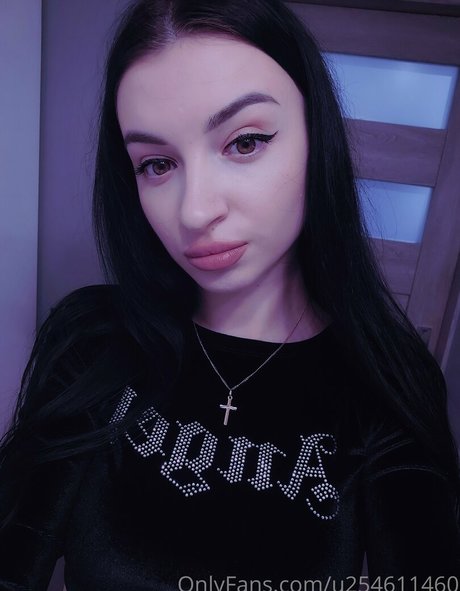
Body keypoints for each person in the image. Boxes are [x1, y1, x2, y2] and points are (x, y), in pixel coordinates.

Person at [1, 0, 460, 589]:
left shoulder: (384, 384)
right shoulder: (90, 340)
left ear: (316, 138)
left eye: (244, 143)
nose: (194, 211)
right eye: (157, 164)